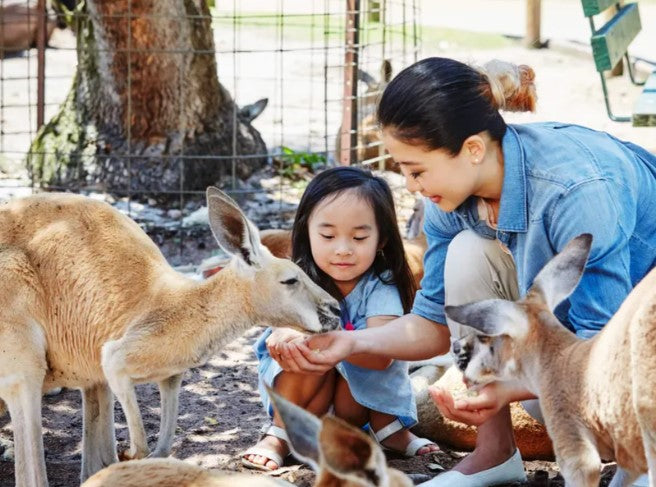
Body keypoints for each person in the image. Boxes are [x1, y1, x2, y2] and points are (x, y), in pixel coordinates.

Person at [277, 57, 656, 487]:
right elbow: (431, 325)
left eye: (416, 170)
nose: (410, 186)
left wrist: (506, 389)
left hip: (630, 359)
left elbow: (597, 356)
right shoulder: (450, 199)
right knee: (468, 251)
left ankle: (637, 455)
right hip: (580, 364)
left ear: (473, 149)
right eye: (403, 171)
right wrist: (348, 341)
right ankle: (495, 453)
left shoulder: (575, 192)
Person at [241, 166, 439, 472]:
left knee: (350, 352)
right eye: (328, 235)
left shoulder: (381, 284)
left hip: (355, 406)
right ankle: (279, 433)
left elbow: (381, 358)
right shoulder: (299, 277)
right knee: (303, 352)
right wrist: (283, 335)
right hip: (306, 402)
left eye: (359, 237)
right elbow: (281, 327)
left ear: (382, 238)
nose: (343, 250)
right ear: (307, 231)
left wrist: (334, 345)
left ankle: (387, 428)